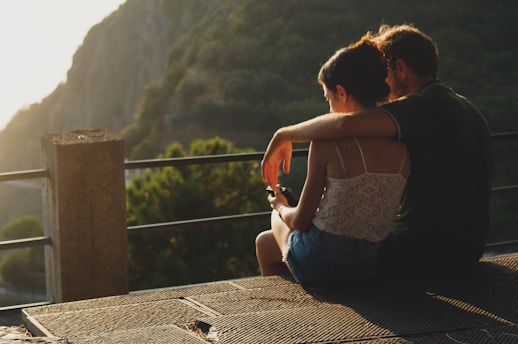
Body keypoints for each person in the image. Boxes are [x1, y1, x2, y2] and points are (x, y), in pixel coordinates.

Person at [261, 24, 493, 275]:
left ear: (401, 68)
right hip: (469, 248)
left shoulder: (421, 107)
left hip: (423, 250)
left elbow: (343, 124)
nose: (382, 81)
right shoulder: (469, 110)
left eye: (385, 71)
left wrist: (283, 134)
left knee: (275, 240)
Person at [255, 38, 410, 286]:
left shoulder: (327, 143)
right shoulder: (401, 142)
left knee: (273, 225)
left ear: (342, 92)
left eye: (328, 98)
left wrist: (280, 206)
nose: (329, 109)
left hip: (323, 263)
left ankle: (283, 313)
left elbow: (300, 221)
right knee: (266, 240)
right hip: (368, 264)